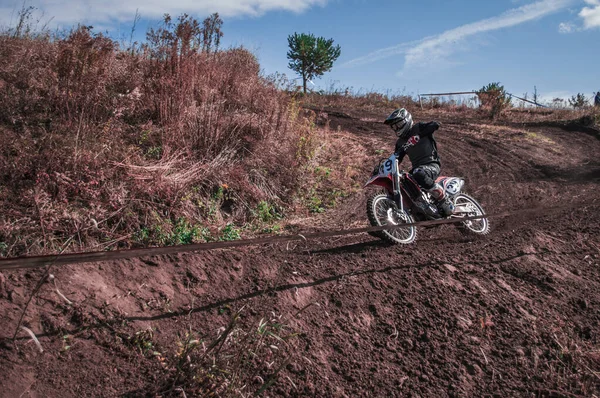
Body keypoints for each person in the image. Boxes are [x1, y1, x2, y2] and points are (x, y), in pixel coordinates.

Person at [383, 108, 454, 217]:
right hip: (418, 169)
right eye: (394, 126)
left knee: (418, 173)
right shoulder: (400, 143)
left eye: (399, 124)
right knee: (405, 179)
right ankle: (421, 205)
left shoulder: (418, 127)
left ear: (407, 120)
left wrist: (420, 135)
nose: (397, 128)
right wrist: (383, 167)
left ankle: (445, 200)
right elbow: (397, 158)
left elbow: (435, 125)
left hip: (431, 164)